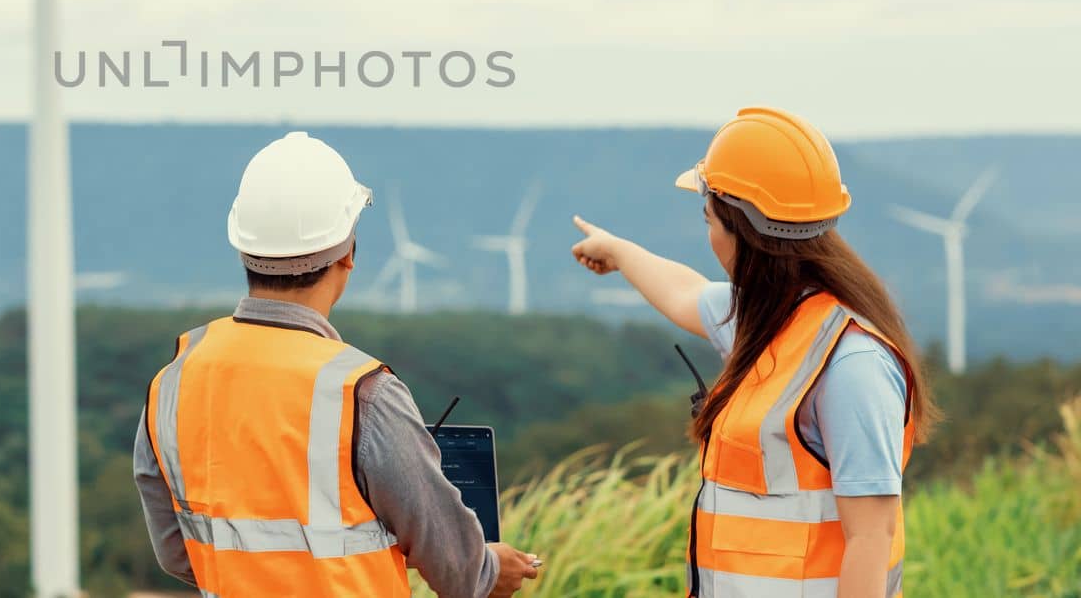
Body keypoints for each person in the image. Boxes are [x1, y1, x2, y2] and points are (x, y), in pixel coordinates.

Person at [134, 131, 541, 597]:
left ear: (244, 250)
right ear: (348, 255)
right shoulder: (363, 393)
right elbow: (457, 568)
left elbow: (175, 550)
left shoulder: (173, 381)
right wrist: (492, 570)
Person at [569, 106, 938, 598]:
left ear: (741, 232)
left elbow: (870, 537)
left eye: (709, 219)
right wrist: (617, 251)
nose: (709, 237)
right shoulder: (771, 320)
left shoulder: (852, 364)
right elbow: (686, 293)